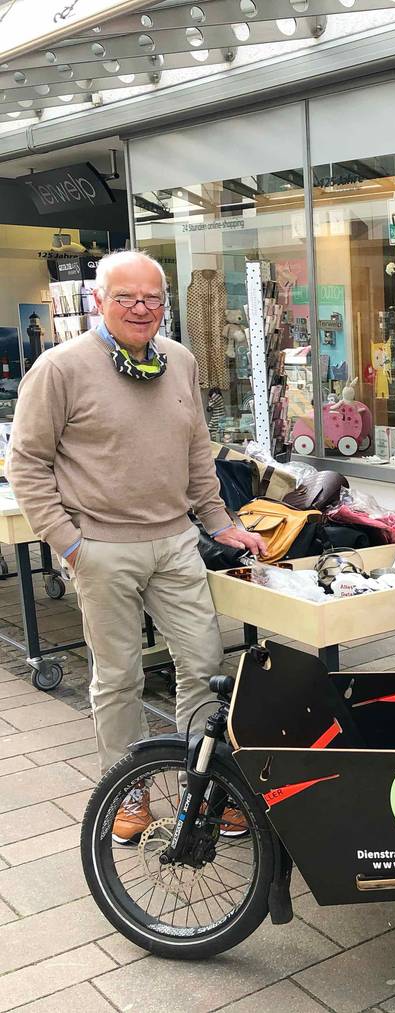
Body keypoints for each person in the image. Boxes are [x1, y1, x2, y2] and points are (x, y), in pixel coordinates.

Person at [6, 250, 265, 843]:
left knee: (204, 666)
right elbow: (27, 464)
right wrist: (69, 544)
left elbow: (199, 451)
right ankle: (128, 791)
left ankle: (206, 789)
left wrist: (219, 524)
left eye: (153, 298)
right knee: (118, 679)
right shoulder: (60, 368)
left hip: (176, 542)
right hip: (101, 547)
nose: (141, 308)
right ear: (99, 300)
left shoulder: (180, 360)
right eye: (126, 297)